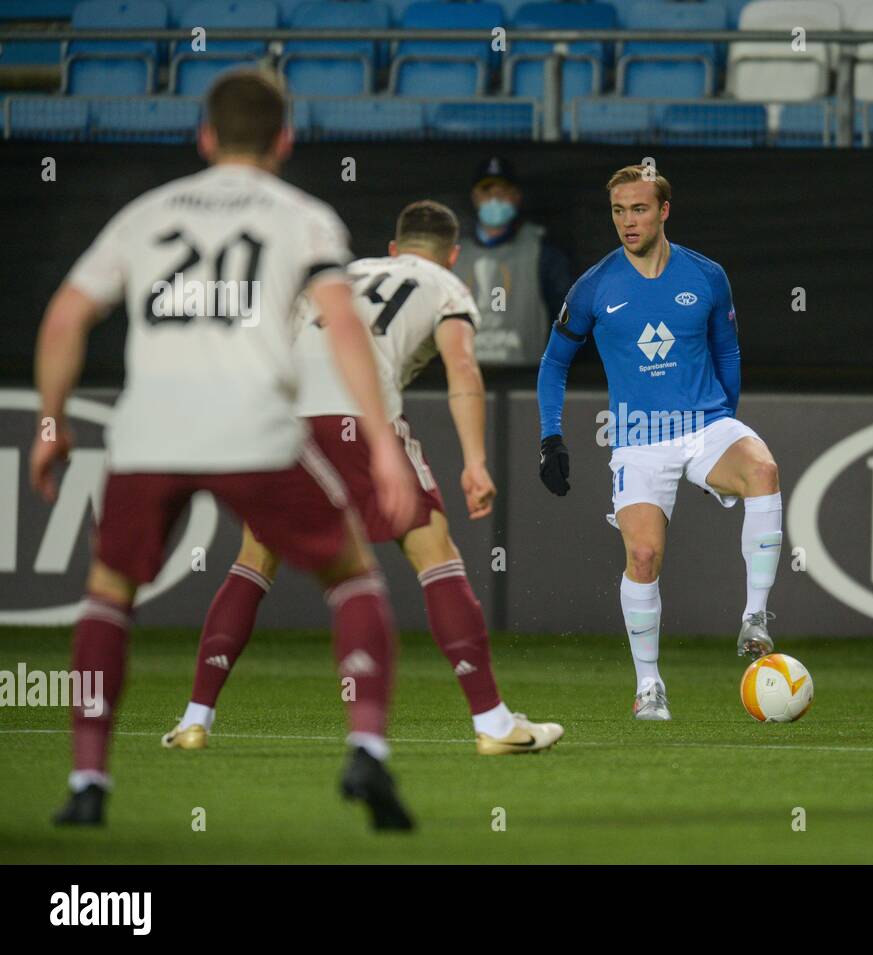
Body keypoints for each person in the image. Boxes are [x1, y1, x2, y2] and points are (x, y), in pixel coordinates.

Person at [31, 70, 420, 830]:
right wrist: (381, 442)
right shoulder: (301, 215)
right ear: (285, 138)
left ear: (204, 136)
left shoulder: (145, 215)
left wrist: (51, 426)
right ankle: (368, 747)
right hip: (255, 430)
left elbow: (64, 317)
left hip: (149, 435)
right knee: (352, 574)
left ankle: (87, 782)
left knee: (109, 595)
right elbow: (342, 326)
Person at [163, 200, 563, 756]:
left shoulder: (338, 276)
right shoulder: (447, 285)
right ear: (452, 255)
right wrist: (474, 460)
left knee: (254, 560)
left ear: (394, 249)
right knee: (434, 552)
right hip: (356, 417)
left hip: (281, 422)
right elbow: (463, 369)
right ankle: (494, 725)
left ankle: (193, 720)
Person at [536, 164, 783, 721]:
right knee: (643, 556)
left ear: (664, 210)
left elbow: (729, 354)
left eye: (639, 209)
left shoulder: (707, 276)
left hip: (705, 425)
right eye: (618, 211)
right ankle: (649, 686)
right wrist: (550, 438)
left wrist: (723, 430)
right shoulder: (595, 286)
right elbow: (554, 362)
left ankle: (755, 617)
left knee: (762, 469)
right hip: (639, 440)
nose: (627, 221)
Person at [453, 156, 571, 366]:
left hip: (525, 382)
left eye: (503, 191)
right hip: (464, 377)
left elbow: (569, 321)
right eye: (487, 191)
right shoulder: (454, 257)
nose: (495, 199)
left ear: (517, 197)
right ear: (474, 197)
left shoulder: (543, 255)